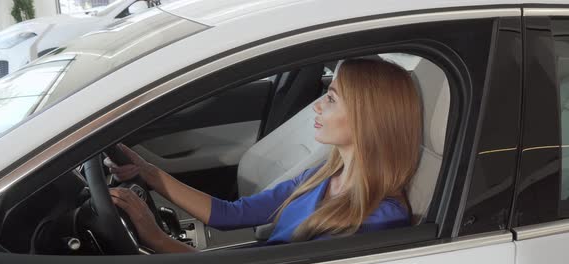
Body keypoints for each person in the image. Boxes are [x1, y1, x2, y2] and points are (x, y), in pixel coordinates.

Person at [108, 58, 422, 253]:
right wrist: (149, 171)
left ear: (367, 119)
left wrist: (156, 238)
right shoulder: (322, 176)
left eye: (330, 98)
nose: (317, 106)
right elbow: (231, 215)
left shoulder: (377, 220)